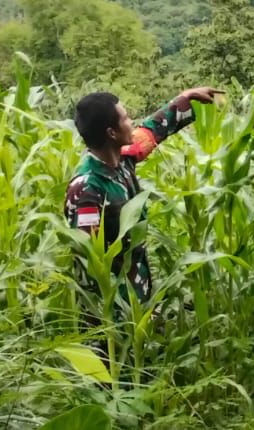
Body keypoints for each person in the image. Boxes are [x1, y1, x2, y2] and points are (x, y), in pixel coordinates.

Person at [64, 86, 222, 318]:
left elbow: (151, 131)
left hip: (137, 290)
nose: (132, 123)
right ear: (112, 133)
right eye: (126, 118)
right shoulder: (87, 188)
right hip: (111, 308)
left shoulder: (122, 160)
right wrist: (113, 314)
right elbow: (89, 260)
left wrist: (185, 97)